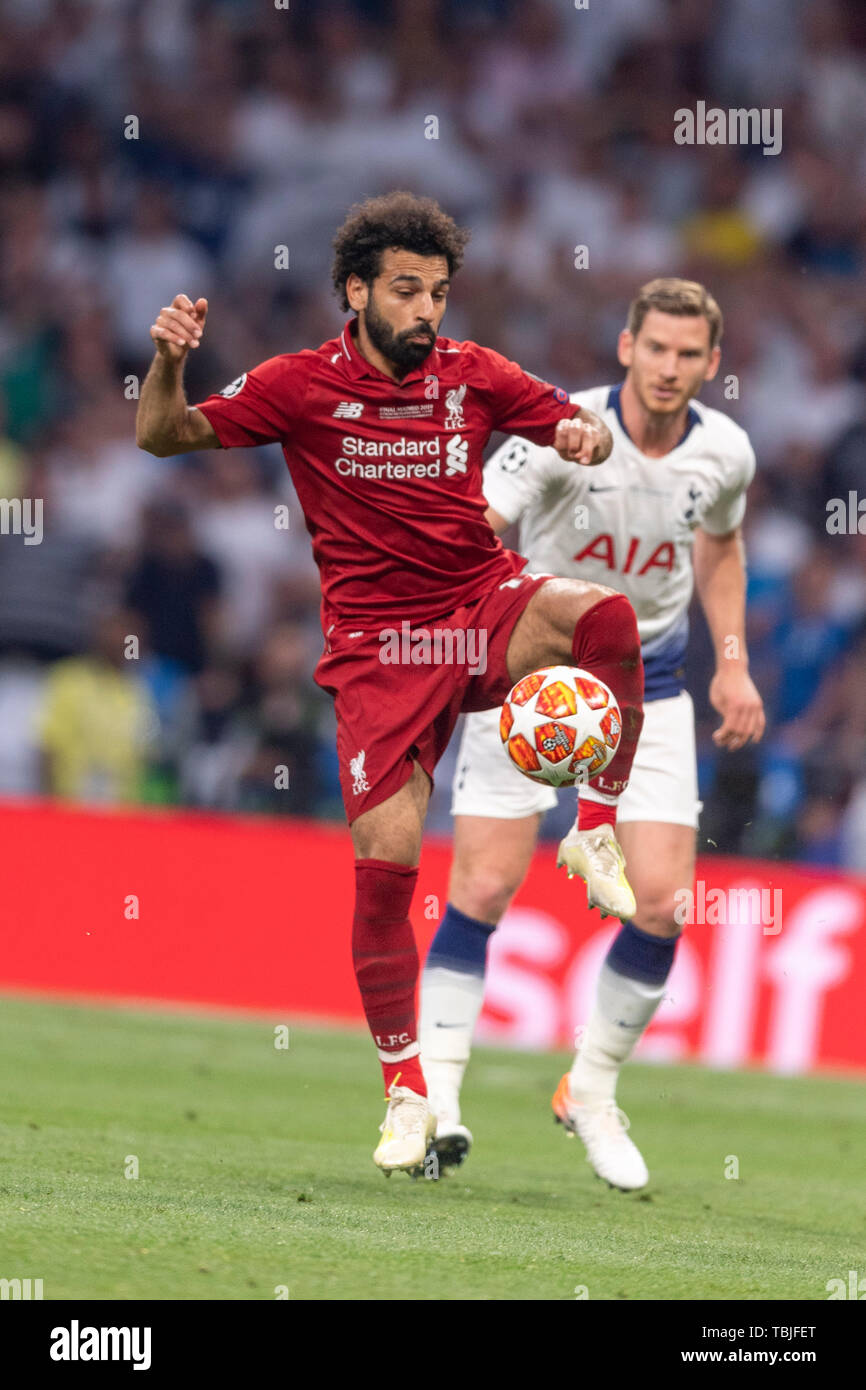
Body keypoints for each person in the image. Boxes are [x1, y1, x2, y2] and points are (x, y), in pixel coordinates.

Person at [135, 190, 645, 1176]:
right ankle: (405, 1092)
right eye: (405, 291)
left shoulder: (473, 374)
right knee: (387, 870)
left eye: (438, 294)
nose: (425, 312)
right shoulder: (296, 385)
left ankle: (590, 830)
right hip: (379, 651)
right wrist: (165, 362)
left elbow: (576, 428)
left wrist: (586, 440)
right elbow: (163, 434)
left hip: (479, 596)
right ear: (356, 292)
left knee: (604, 616)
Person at [420, 278, 765, 1188]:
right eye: (656, 348)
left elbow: (721, 550)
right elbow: (475, 531)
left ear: (711, 366)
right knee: (486, 884)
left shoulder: (725, 454)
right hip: (532, 682)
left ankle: (592, 1089)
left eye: (689, 355)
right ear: (626, 347)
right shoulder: (561, 431)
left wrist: (731, 660)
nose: (670, 367)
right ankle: (437, 1103)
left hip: (648, 687)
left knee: (659, 903)